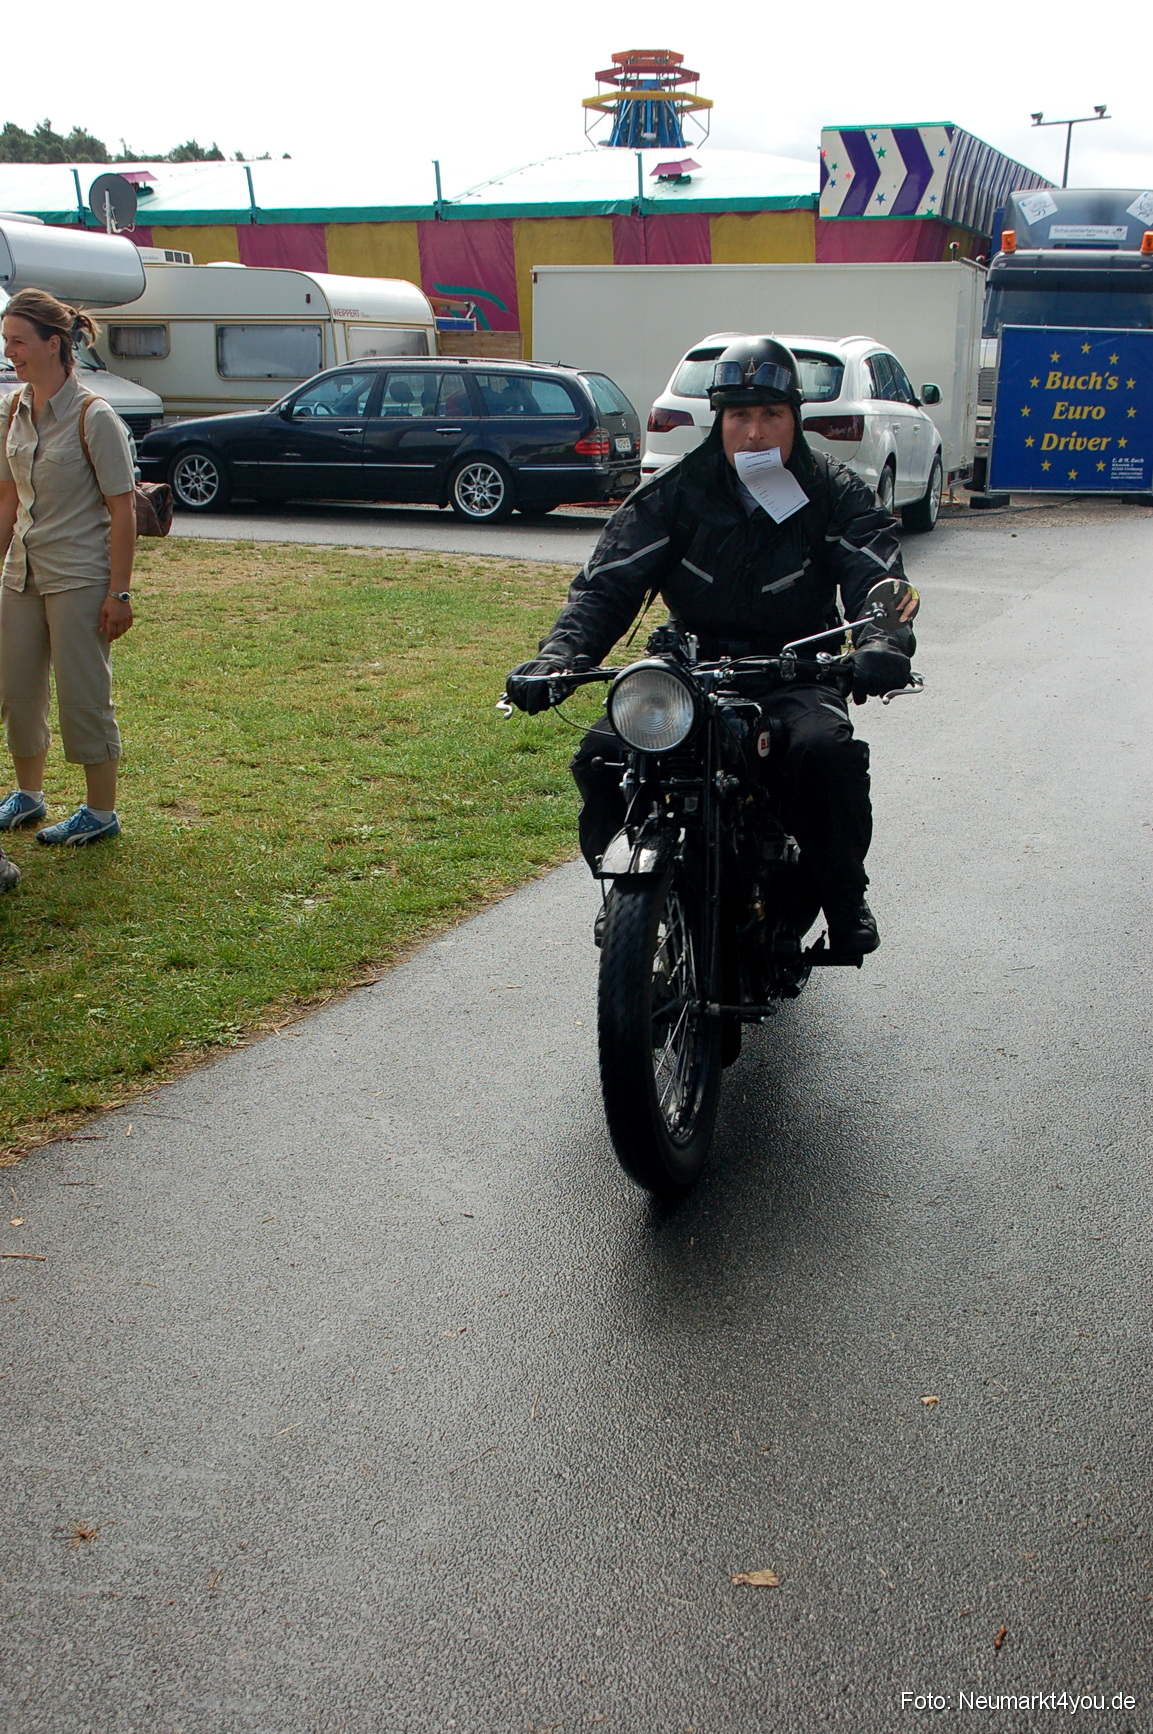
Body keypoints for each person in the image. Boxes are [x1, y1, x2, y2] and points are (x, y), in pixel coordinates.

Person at [505, 336, 917, 956]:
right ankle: (625, 895)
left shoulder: (835, 493)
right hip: (690, 667)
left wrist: (881, 639)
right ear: (718, 421)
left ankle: (842, 894)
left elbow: (875, 573)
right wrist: (560, 657)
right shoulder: (675, 494)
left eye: (770, 415)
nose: (754, 433)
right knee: (604, 754)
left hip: (794, 664)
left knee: (823, 755)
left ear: (794, 420)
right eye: (739, 416)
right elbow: (606, 586)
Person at [0, 287, 136, 846]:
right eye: (6, 341)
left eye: (18, 341)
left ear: (54, 343)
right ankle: (28, 796)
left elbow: (123, 513)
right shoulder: (13, 409)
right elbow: (9, 500)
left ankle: (100, 812)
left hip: (79, 577)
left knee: (83, 694)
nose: (10, 352)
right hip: (21, 574)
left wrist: (119, 594)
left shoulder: (93, 416)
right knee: (18, 692)